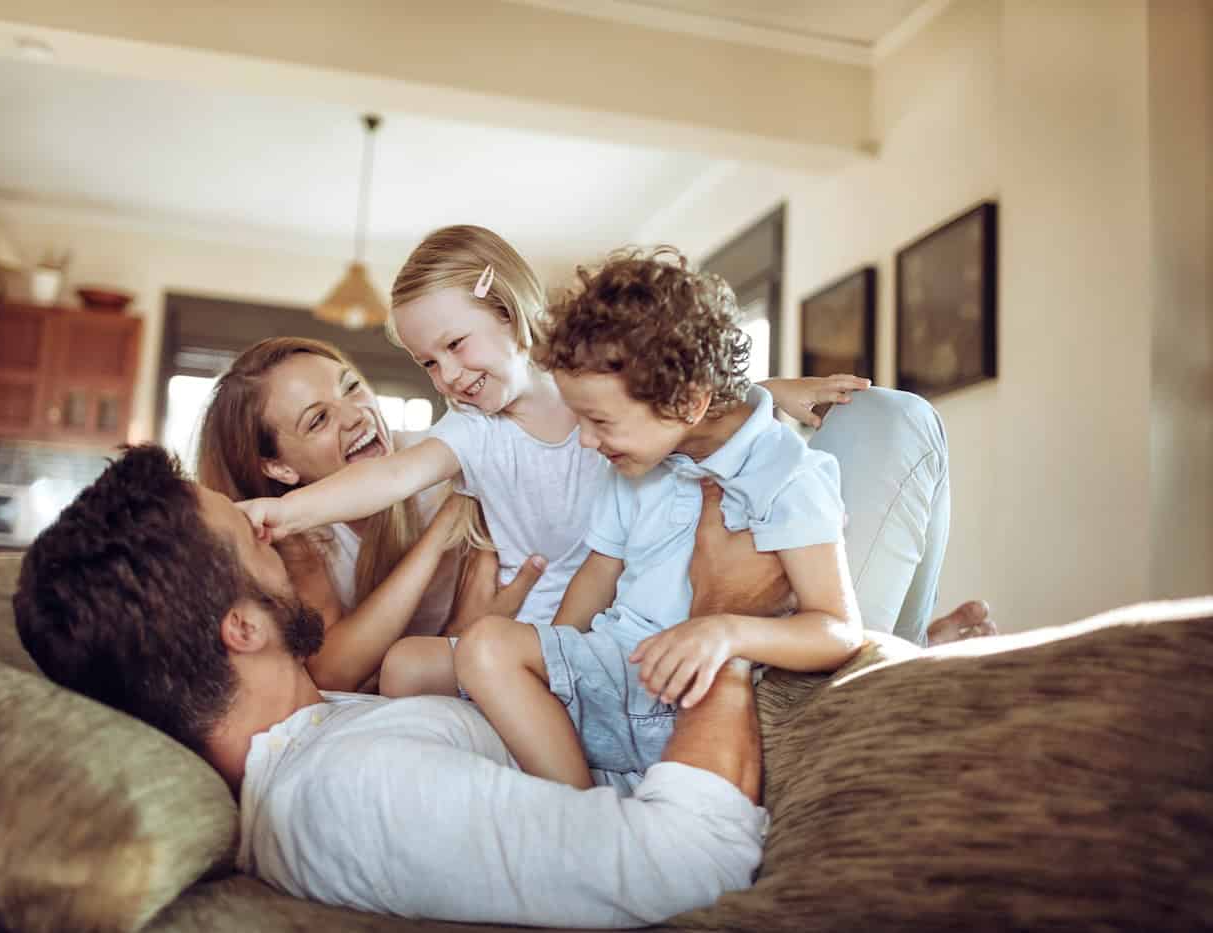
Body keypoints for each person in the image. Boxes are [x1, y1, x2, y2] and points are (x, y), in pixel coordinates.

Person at [13, 445, 771, 929]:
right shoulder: (349, 790)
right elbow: (688, 862)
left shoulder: (329, 730)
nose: (272, 536)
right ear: (240, 628)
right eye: (250, 540)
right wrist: (726, 620)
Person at [237, 225, 868, 694]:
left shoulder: (592, 394)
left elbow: (674, 398)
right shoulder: (474, 431)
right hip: (535, 626)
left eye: (456, 345)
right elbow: (392, 474)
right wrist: (285, 511)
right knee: (404, 666)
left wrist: (772, 391)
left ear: (509, 314)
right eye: (428, 362)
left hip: (627, 613)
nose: (448, 376)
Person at [455, 248, 864, 789]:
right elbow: (598, 574)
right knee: (429, 660)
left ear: (689, 403)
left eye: (600, 421)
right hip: (614, 667)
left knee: (485, 646)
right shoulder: (641, 460)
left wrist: (725, 633)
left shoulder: (788, 477)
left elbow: (837, 629)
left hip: (681, 693)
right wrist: (553, 663)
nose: (586, 440)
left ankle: (578, 804)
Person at [196, 337, 546, 691]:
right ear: (279, 468)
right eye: (318, 420)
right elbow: (331, 672)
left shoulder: (437, 457)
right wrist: (439, 536)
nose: (356, 415)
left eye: (351, 387)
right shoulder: (294, 538)